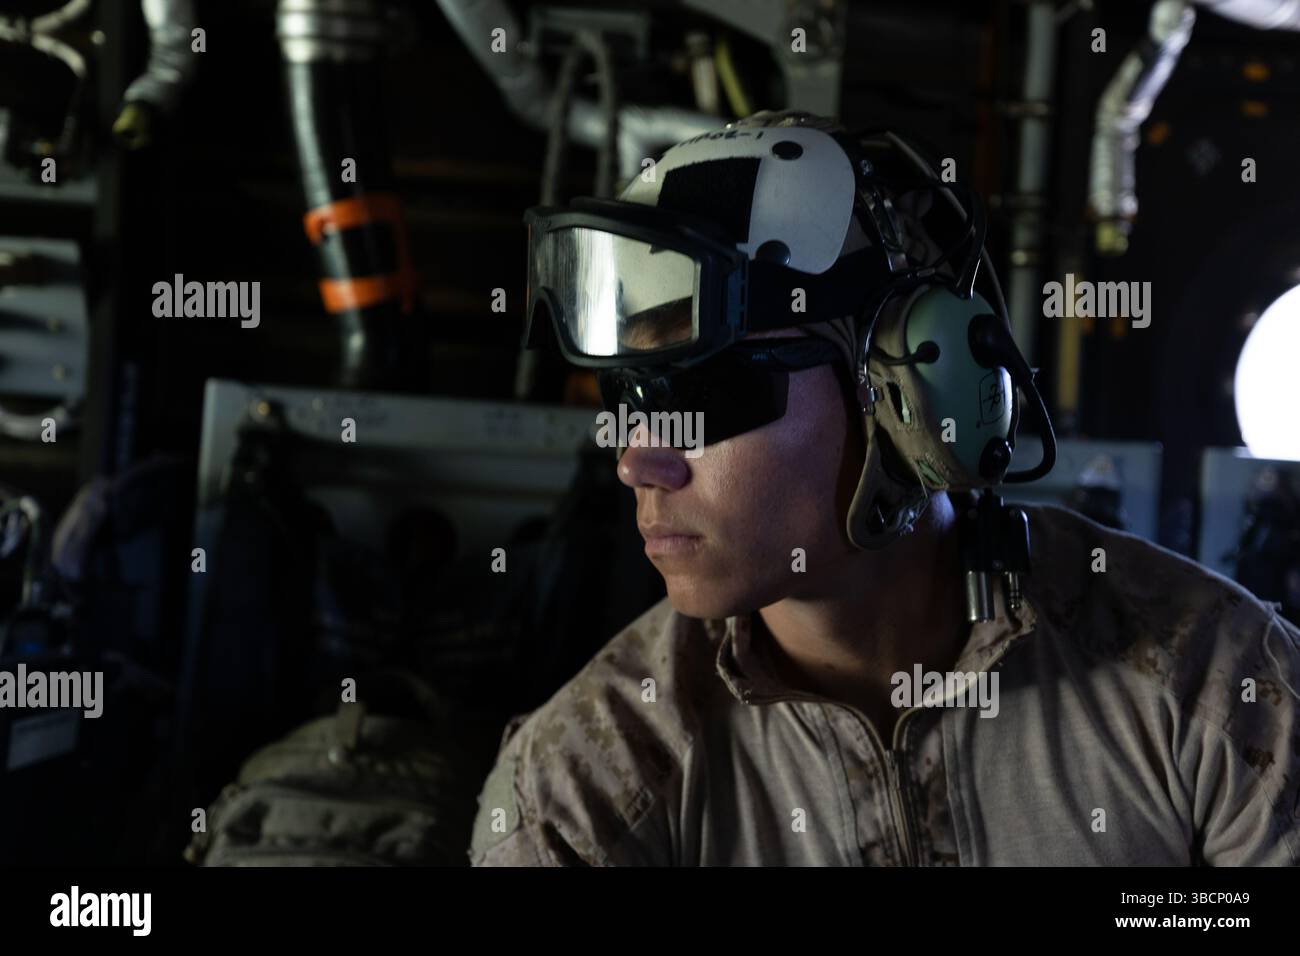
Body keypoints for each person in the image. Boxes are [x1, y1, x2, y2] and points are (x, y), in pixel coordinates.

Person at [468, 110, 1300, 866]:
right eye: (630, 398)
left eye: (703, 394)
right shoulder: (581, 787)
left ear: (913, 391)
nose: (639, 460)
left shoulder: (1213, 679)